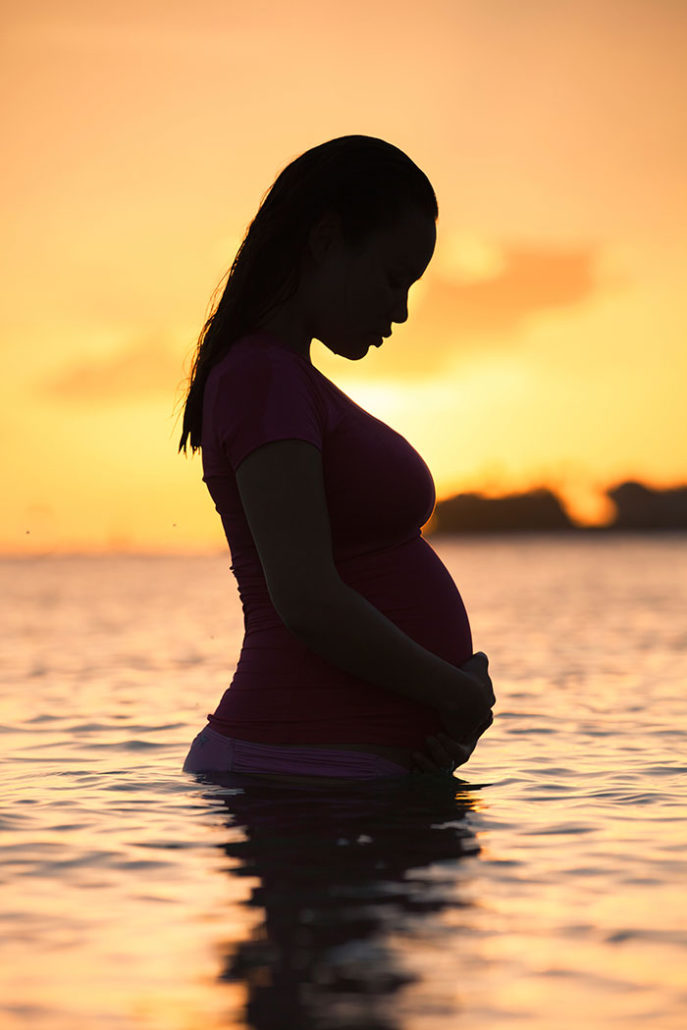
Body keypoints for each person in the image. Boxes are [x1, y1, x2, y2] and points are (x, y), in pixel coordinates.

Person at [178, 135, 495, 784]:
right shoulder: (263, 379)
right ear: (325, 239)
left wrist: (444, 700)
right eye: (391, 278)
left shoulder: (281, 379)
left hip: (328, 783)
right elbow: (307, 601)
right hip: (292, 778)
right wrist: (453, 694)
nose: (401, 310)